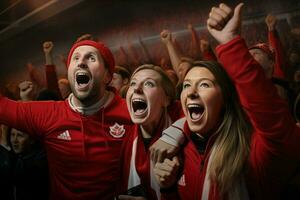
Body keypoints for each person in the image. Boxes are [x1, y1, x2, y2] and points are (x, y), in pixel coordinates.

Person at [153, 3, 300, 199]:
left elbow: (278, 131)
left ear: (226, 98)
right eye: (186, 85)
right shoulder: (177, 151)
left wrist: (231, 43)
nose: (191, 92)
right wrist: (168, 189)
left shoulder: (252, 155)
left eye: (204, 85)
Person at [0, 39, 133, 199]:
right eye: (75, 58)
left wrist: (170, 136)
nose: (81, 62)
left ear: (107, 76)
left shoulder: (130, 111)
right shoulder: (50, 114)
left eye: (91, 58)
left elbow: (169, 112)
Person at [117, 64, 181, 199]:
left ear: (166, 99)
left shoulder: (181, 118)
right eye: (133, 83)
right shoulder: (122, 130)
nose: (137, 89)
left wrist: (174, 133)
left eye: (149, 84)